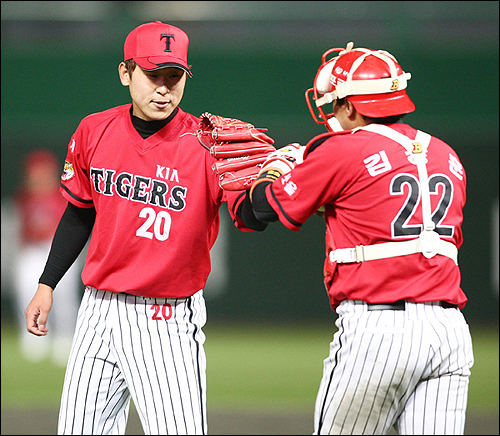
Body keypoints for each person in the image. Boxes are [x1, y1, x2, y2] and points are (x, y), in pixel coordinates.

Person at [24, 21, 268, 435]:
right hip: (98, 310)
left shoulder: (208, 144)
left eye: (174, 77)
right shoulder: (94, 130)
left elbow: (248, 215)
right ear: (126, 73)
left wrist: (277, 190)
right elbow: (80, 211)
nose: (163, 88)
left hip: (166, 317)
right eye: (153, 75)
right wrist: (47, 284)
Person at [248, 43, 474, 435]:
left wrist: (272, 169)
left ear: (351, 106)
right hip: (450, 332)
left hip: (379, 331)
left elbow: (263, 209)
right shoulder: (447, 155)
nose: (331, 113)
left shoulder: (344, 150)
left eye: (335, 104)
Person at [12, 149, 81, 366]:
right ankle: (34, 338)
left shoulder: (61, 194)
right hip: (32, 250)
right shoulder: (23, 197)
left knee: (64, 296)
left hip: (56, 250)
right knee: (26, 290)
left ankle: (65, 337)